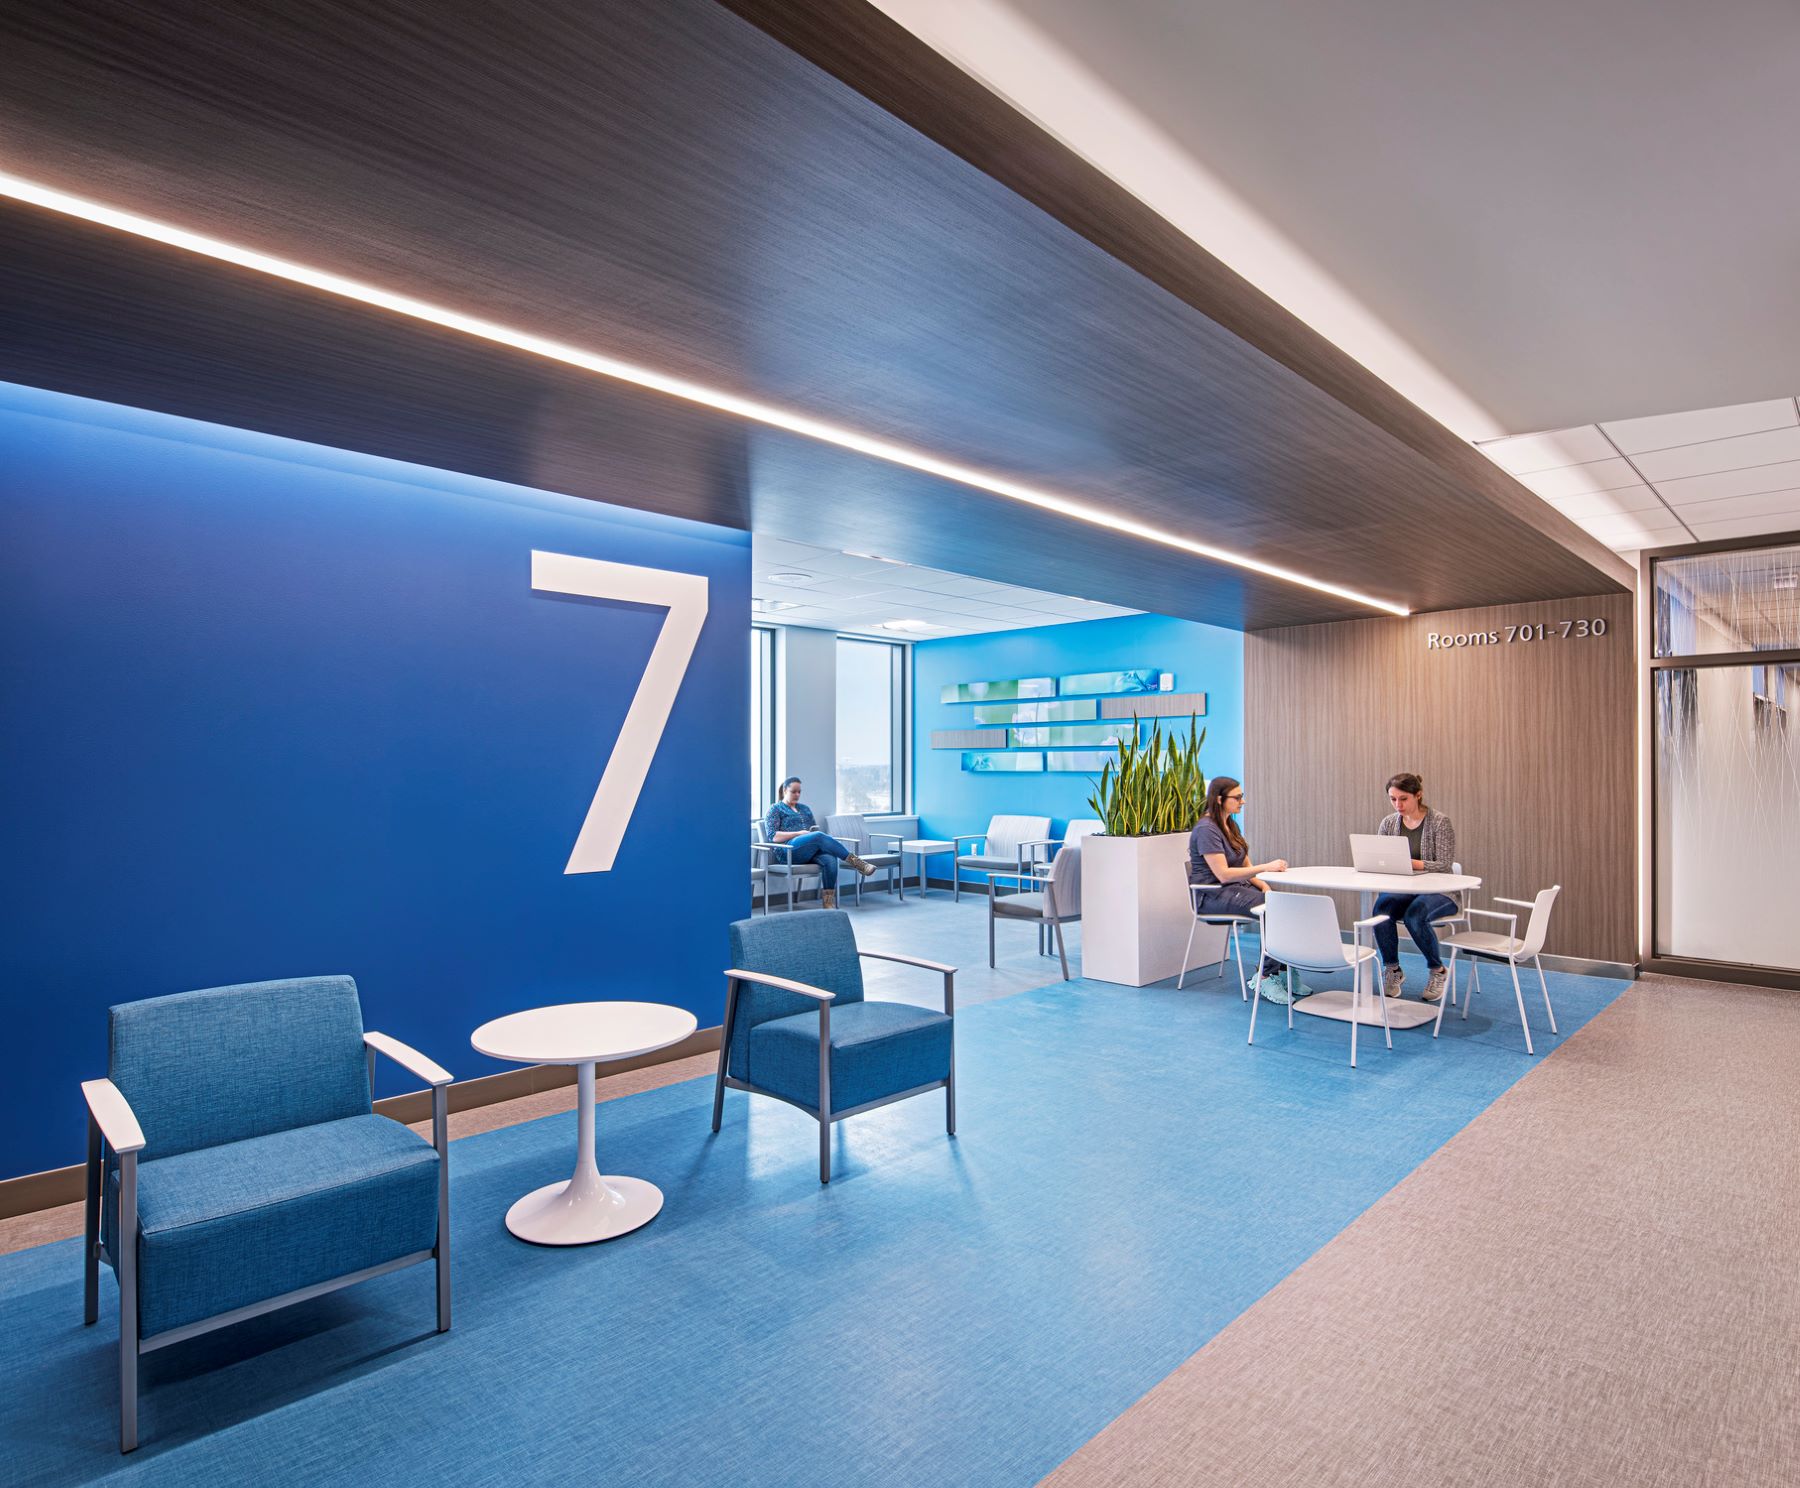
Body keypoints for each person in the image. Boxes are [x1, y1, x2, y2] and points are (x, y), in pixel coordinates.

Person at [1187, 776, 1295, 1002]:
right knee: (1273, 910)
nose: (1242, 802)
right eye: (1237, 797)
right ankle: (1265, 977)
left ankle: (1284, 971)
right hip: (1212, 895)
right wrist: (1267, 867)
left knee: (1283, 904)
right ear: (1219, 799)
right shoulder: (1207, 829)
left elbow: (1246, 865)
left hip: (1234, 890)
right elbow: (1223, 874)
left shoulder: (1230, 824)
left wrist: (1265, 885)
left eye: (1241, 796)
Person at [1371, 771, 1460, 1003]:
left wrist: (1411, 863)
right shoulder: (1388, 823)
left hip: (1440, 892)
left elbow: (1444, 864)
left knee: (1415, 916)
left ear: (1418, 795)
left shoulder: (1439, 822)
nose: (1397, 805)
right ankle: (1393, 970)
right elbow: (1381, 858)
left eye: (1403, 799)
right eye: (1393, 799)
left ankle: (1437, 970)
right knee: (1381, 911)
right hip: (1404, 890)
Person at [761, 776, 874, 909]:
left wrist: (812, 836)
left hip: (808, 850)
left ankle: (828, 904)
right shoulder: (775, 809)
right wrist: (798, 833)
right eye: (794, 791)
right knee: (819, 836)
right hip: (788, 851)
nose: (797, 795)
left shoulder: (805, 809)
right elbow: (773, 836)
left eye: (799, 792)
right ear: (785, 790)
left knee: (830, 859)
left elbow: (814, 831)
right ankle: (858, 863)